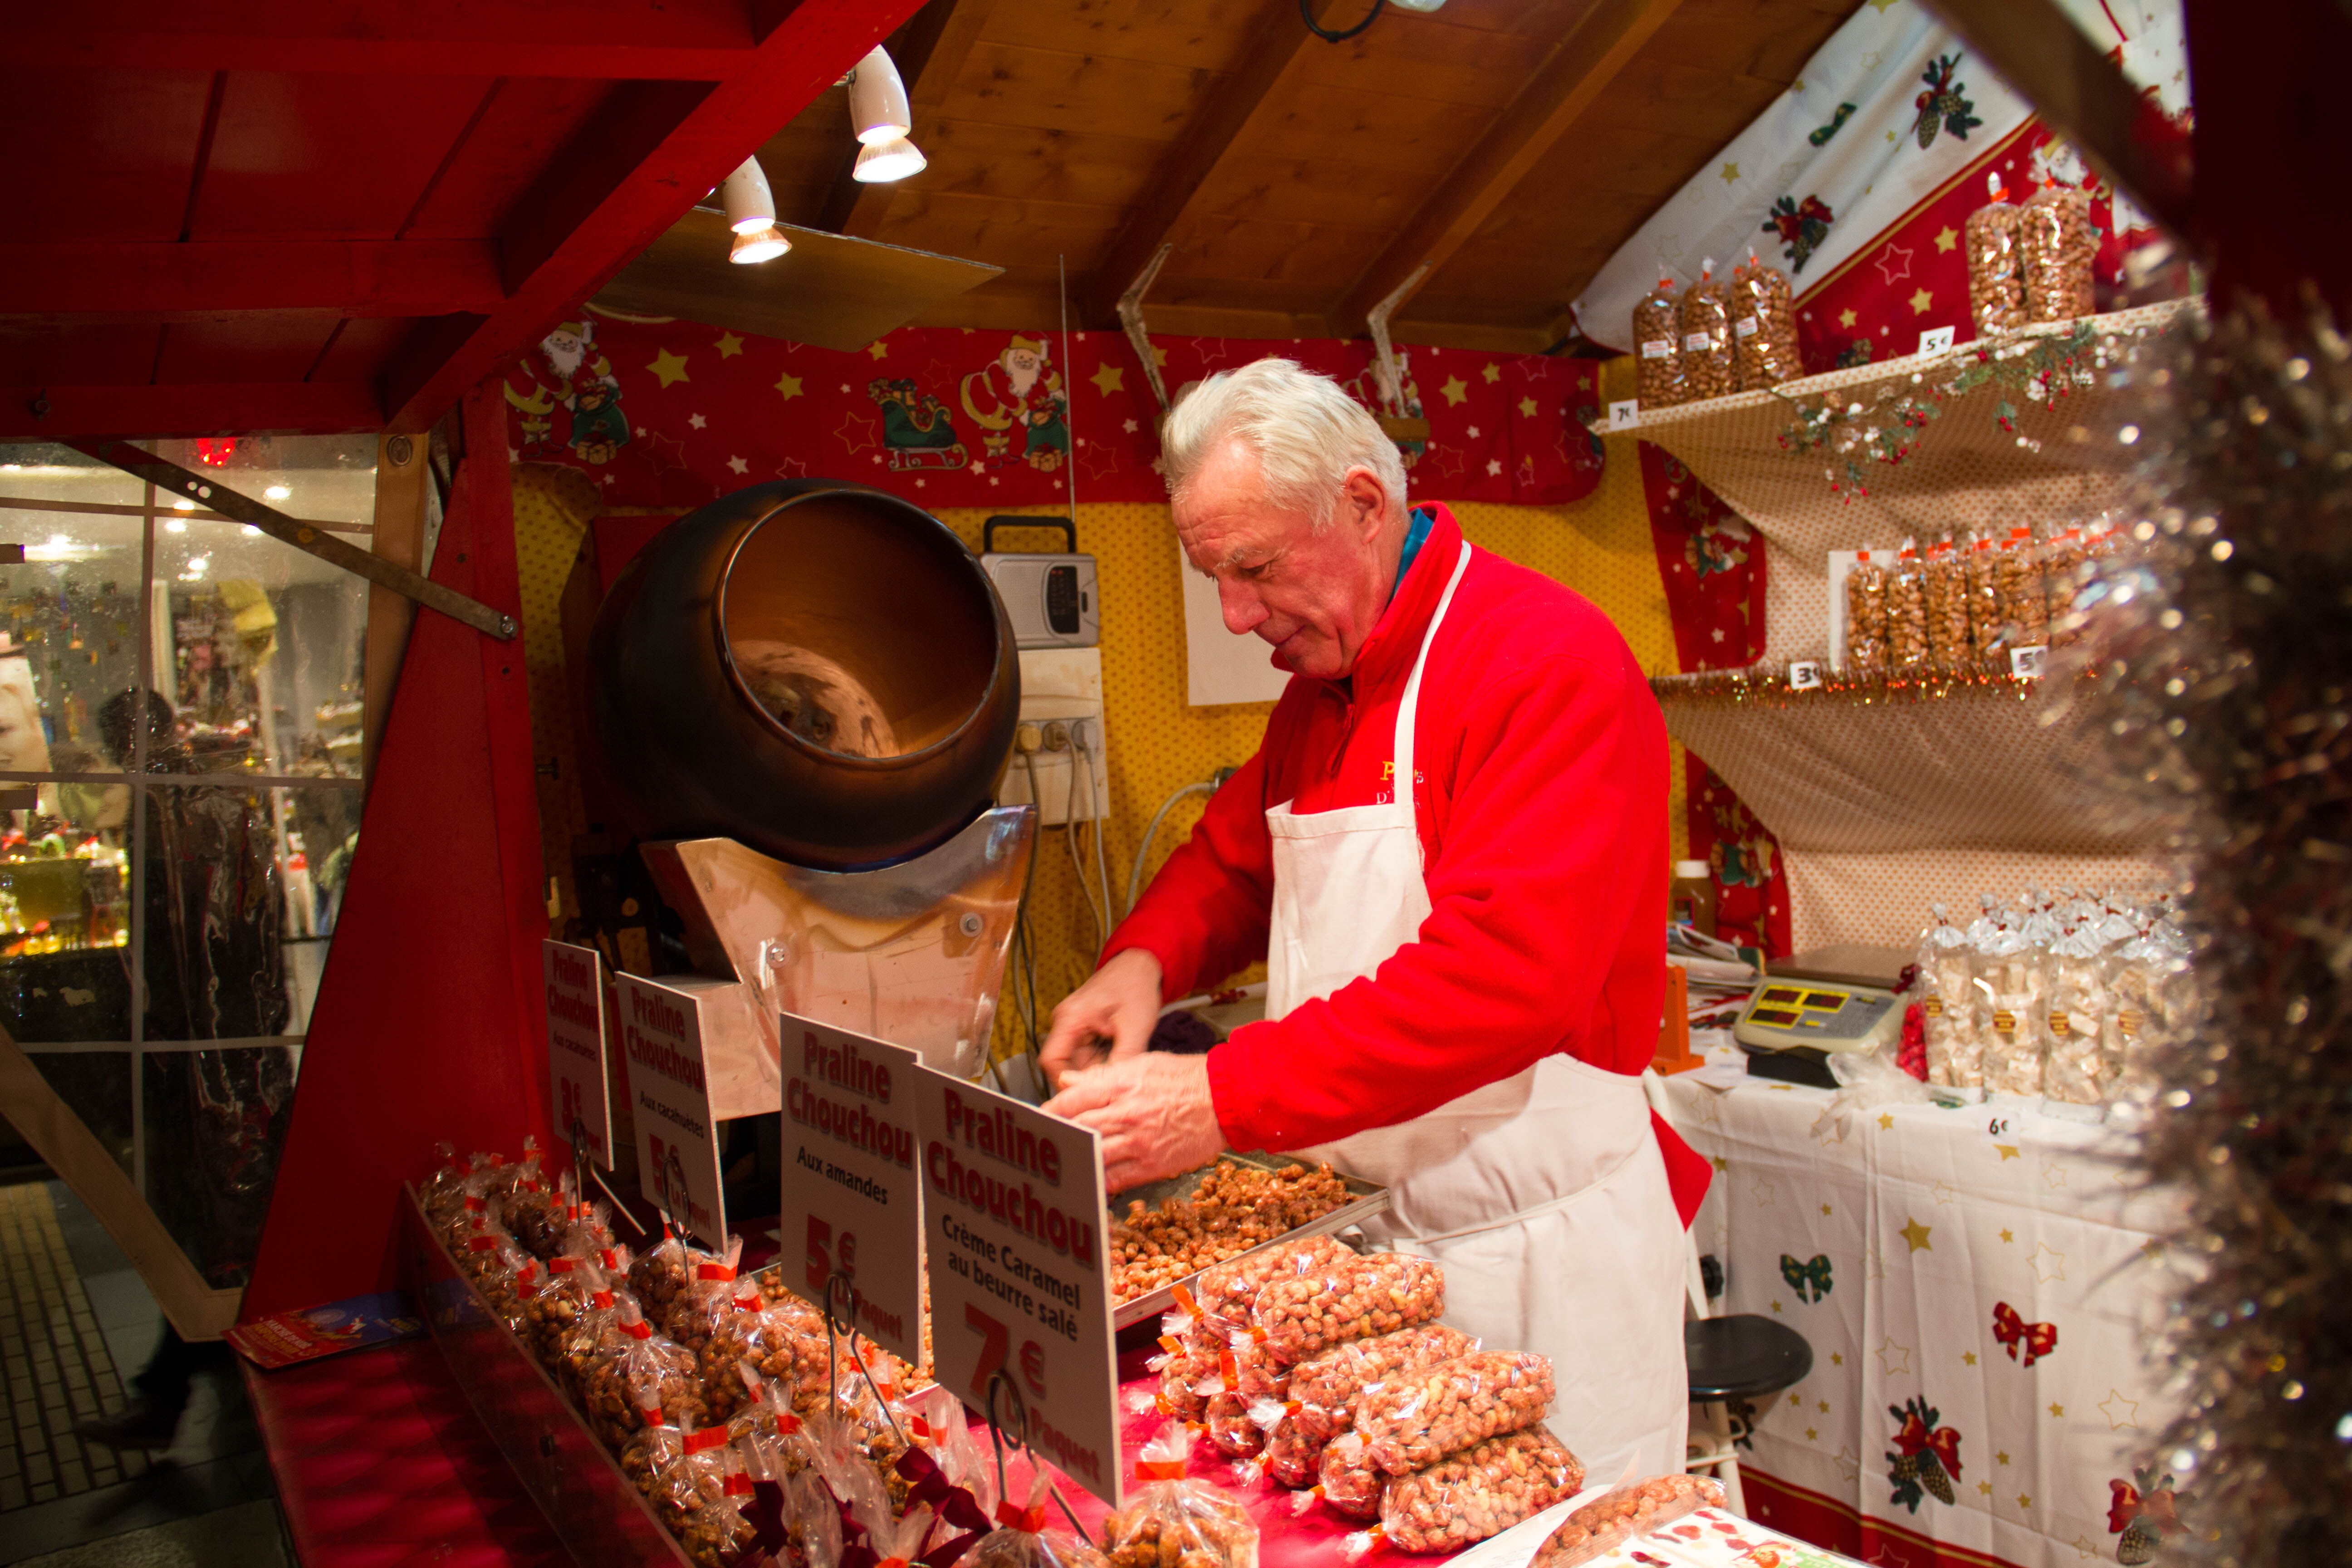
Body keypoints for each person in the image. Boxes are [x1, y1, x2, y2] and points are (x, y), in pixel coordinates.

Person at [1040, 358, 1711, 1480]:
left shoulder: (1541, 663)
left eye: (1253, 569)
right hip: (1367, 1253)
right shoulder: (1324, 690)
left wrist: (1221, 1095)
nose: (1236, 614)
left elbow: (1503, 976)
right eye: (1214, 575)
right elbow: (1239, 862)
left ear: (1361, 504)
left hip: (1532, 1265)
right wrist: (1145, 962)